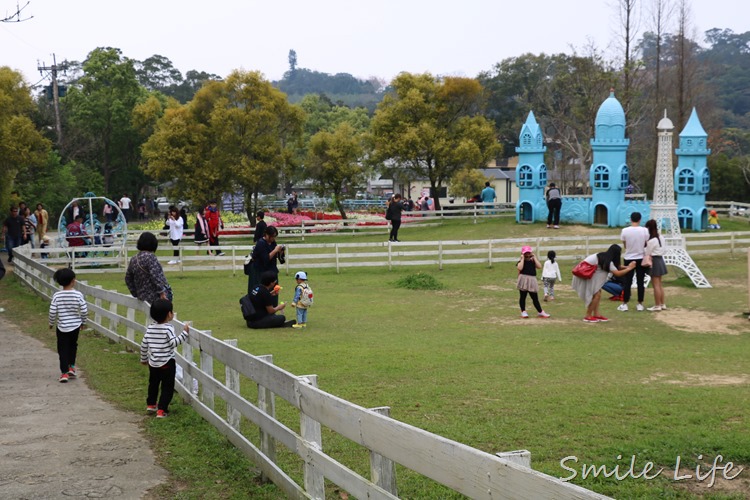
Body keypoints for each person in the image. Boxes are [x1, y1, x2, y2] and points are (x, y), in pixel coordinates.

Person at [140, 298, 189, 418]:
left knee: (153, 384)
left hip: (154, 363)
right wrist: (184, 334)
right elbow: (173, 343)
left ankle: (151, 404)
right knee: (167, 387)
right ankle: (162, 409)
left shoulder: (150, 328)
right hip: (167, 363)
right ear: (169, 314)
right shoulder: (168, 328)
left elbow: (144, 344)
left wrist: (143, 359)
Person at [572, 244, 636, 323]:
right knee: (596, 295)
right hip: (584, 275)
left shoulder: (603, 257)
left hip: (584, 274)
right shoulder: (608, 261)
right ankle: (588, 315)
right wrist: (630, 268)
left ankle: (596, 314)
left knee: (598, 293)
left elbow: (616, 267)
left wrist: (627, 267)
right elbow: (617, 273)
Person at [48, 268, 87, 383]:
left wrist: (51, 323)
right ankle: (72, 366)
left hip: (62, 327)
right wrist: (83, 322)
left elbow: (52, 311)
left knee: (62, 349)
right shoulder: (78, 295)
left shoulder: (57, 295)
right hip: (75, 326)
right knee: (73, 346)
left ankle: (64, 373)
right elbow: (84, 310)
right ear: (73, 281)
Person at [125, 232, 171, 304]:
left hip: (141, 296)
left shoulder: (134, 259)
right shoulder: (150, 257)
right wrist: (162, 292)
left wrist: (135, 293)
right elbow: (155, 276)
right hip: (155, 296)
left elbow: (128, 278)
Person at [618, 212, 649, 312]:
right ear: (640, 220)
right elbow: (646, 243)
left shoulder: (625, 230)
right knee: (641, 281)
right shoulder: (644, 230)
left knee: (627, 281)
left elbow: (625, 244)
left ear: (631, 219)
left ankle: (625, 303)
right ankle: (640, 303)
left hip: (629, 257)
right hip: (640, 257)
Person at [516, 245, 550, 318]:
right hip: (523, 279)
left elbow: (539, 266)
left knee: (534, 297)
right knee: (523, 296)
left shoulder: (533, 261)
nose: (527, 255)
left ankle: (540, 311)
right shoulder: (521, 261)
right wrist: (522, 259)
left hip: (532, 280)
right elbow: (520, 267)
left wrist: (534, 257)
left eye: (529, 253)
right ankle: (523, 311)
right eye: (526, 253)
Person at [249, 226, 284, 295]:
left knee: (275, 291)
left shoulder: (273, 243)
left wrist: (280, 252)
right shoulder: (261, 243)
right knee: (263, 293)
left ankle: (274, 305)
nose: (274, 239)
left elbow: (279, 259)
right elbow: (265, 259)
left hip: (272, 270)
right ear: (267, 235)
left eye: (275, 237)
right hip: (261, 272)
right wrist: (275, 250)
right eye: (272, 236)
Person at [644, 219, 668, 311]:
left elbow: (647, 252)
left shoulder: (652, 241)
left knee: (656, 285)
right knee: (660, 284)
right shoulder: (661, 237)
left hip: (654, 261)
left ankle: (657, 305)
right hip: (660, 259)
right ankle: (662, 303)